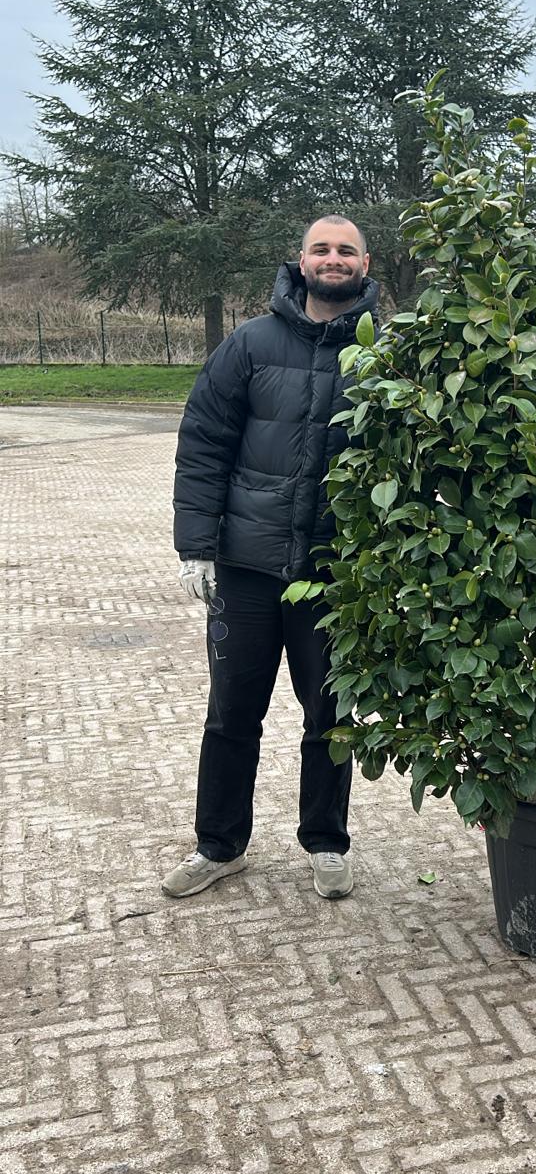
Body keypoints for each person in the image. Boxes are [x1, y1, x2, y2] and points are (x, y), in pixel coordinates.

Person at [162, 215, 379, 901]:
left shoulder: (387, 356)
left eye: (345, 250)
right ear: (302, 259)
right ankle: (219, 846)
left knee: (331, 719)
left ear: (365, 263)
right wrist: (197, 544)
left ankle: (326, 843)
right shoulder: (249, 344)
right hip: (249, 572)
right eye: (322, 248)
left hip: (335, 575)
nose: (333, 259)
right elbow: (204, 445)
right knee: (232, 715)